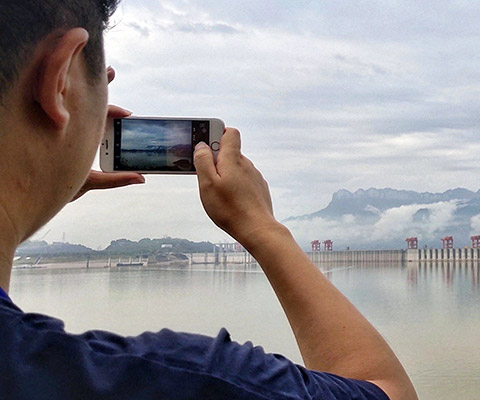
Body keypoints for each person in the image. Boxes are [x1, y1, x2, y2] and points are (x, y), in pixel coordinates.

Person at [0, 1, 417, 399]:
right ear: (60, 80)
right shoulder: (183, 380)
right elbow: (385, 390)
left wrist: (36, 178)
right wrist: (263, 228)